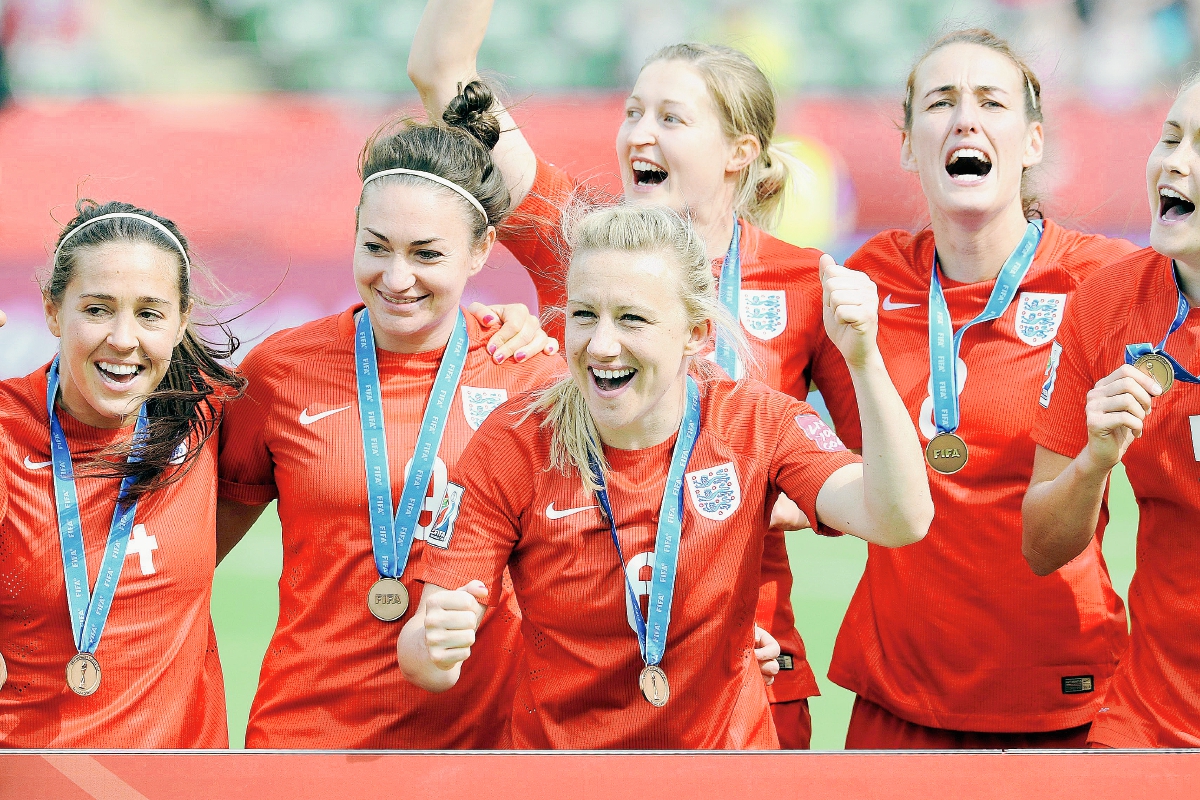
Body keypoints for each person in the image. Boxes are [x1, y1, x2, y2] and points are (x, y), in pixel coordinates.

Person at [407, 0, 847, 747]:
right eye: (633, 111)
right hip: (590, 688)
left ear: (739, 151)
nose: (639, 133)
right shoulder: (577, 242)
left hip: (753, 673)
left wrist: (769, 489)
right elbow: (442, 75)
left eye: (671, 119)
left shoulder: (808, 282)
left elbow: (874, 480)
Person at [397, 204, 933, 749]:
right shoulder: (514, 441)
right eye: (584, 315)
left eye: (632, 318)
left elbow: (900, 519)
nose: (601, 346)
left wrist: (864, 361)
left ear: (696, 334)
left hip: (724, 780)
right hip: (562, 782)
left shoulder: (756, 423)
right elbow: (424, 660)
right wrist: (435, 645)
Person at [808, 29, 1139, 748]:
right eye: (940, 102)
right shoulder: (868, 277)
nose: (965, 119)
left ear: (1032, 142)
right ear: (906, 145)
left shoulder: (1104, 282)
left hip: (1061, 705)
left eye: (992, 101)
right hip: (896, 707)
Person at [215, 83, 563, 748]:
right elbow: (185, 553)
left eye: (427, 253)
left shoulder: (532, 377)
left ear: (481, 250)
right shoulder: (281, 371)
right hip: (303, 744)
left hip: (481, 753)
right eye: (376, 247)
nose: (396, 277)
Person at [0, 200, 244, 747]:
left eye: (150, 313)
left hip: (178, 785)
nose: (123, 339)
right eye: (97, 309)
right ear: (52, 310)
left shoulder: (213, 416)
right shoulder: (6, 430)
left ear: (182, 320)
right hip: (33, 779)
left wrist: (481, 318)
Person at [1023, 73, 1200, 748]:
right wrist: (1095, 459)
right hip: (1150, 723)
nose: (1174, 161)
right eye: (1170, 137)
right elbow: (1042, 546)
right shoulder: (1109, 302)